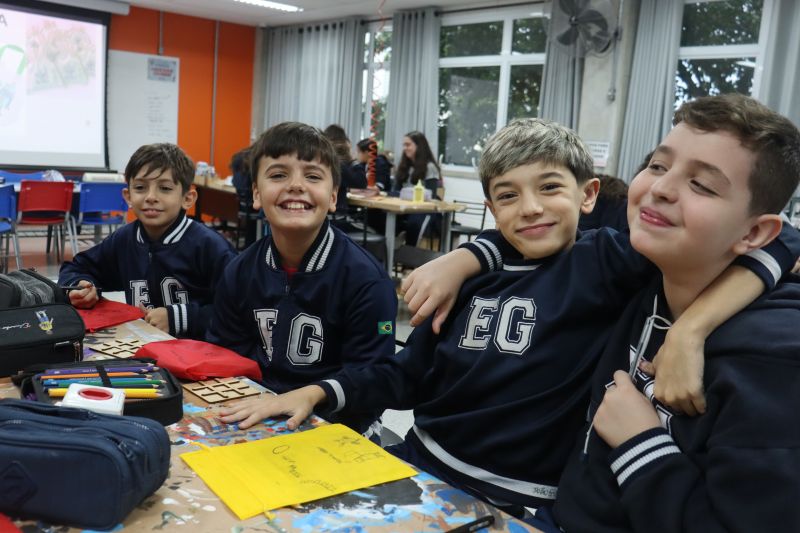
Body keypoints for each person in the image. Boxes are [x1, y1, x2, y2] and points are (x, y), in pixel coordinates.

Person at [220, 118, 797, 519]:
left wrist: (693, 328)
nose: (532, 208)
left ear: (588, 195)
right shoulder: (469, 277)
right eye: (508, 196)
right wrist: (320, 392)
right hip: (417, 463)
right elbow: (406, 375)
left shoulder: (608, 262)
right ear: (491, 208)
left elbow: (784, 240)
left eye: (550, 188)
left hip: (517, 498)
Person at [552, 94, 800, 532]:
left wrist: (639, 444)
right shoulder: (642, 270)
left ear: (754, 232)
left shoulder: (774, 357)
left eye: (701, 185)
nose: (661, 188)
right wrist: (465, 259)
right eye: (657, 165)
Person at [206, 122, 397, 437]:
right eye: (278, 175)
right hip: (258, 415)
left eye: (313, 176)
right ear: (256, 194)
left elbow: (375, 378)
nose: (296, 185)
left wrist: (311, 395)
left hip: (339, 427)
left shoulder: (367, 281)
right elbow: (226, 355)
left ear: (333, 197)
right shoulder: (239, 271)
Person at [59, 143, 237, 338]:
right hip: (143, 348)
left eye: (165, 188)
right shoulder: (124, 240)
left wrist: (178, 318)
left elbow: (239, 309)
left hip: (198, 352)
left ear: (187, 198)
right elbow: (76, 268)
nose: (151, 197)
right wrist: (81, 286)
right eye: (140, 188)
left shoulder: (210, 247)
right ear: (128, 196)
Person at [394, 131, 442, 246]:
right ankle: (391, 249)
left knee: (413, 223)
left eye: (408, 145)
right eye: (404, 145)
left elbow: (431, 194)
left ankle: (407, 252)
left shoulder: (430, 167)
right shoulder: (405, 166)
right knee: (383, 217)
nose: (405, 148)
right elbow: (396, 190)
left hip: (422, 210)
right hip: (404, 208)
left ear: (419, 146)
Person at [323, 124, 366, 231]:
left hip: (323, 218)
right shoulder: (337, 163)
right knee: (371, 228)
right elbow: (361, 183)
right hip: (336, 220)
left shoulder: (322, 160)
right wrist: (354, 160)